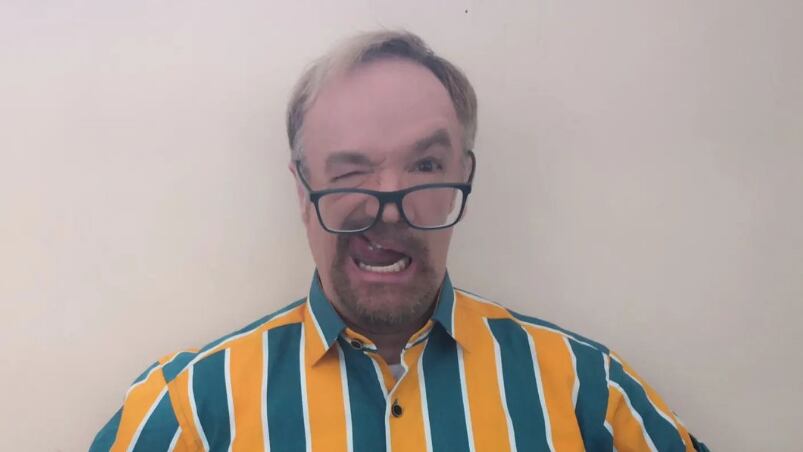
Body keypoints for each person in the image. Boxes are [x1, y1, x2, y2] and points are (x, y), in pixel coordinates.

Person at [91, 30, 708, 452]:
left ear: (463, 176)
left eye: (424, 166)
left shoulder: (589, 392)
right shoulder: (189, 408)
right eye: (350, 171)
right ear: (303, 191)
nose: (388, 207)